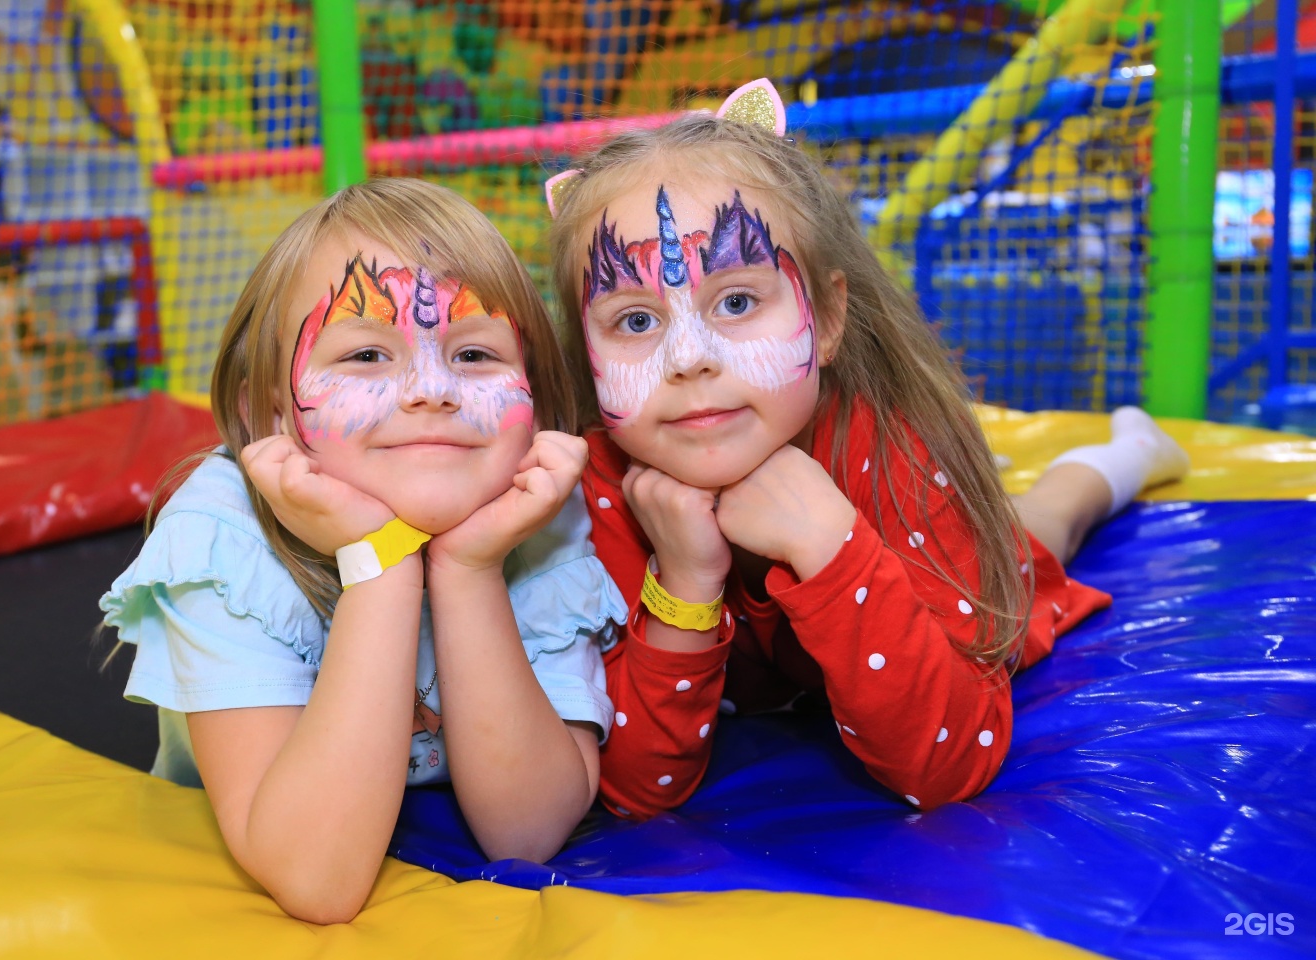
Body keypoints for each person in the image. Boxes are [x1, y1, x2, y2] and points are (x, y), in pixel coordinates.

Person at [541, 79, 1190, 820]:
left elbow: (949, 764)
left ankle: (1128, 453)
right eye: (635, 320)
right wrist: (683, 584)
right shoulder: (598, 489)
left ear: (827, 318)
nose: (688, 358)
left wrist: (829, 543)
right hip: (771, 662)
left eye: (737, 301)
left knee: (1046, 525)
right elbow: (635, 790)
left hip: (927, 565)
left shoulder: (890, 450)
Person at [100, 179, 625, 923]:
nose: (431, 389)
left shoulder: (538, 512)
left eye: (475, 353)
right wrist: (380, 563)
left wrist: (469, 568)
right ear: (268, 414)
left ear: (534, 400)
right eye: (368, 353)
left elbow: (527, 833)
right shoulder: (224, 535)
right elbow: (317, 878)